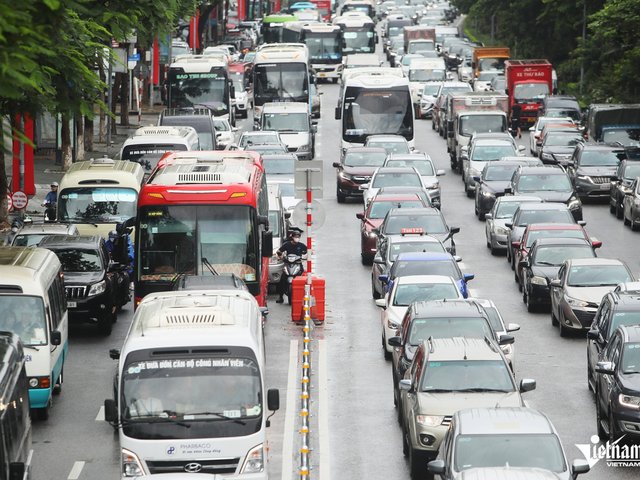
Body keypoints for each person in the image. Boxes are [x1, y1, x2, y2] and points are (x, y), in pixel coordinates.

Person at [275, 228, 308, 303]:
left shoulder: (301, 245)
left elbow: (309, 251)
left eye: (298, 237)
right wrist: (280, 257)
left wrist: (305, 257)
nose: (297, 238)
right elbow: (279, 251)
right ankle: (280, 297)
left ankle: (304, 295)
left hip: (298, 264)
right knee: (282, 279)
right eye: (295, 236)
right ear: (292, 237)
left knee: (303, 277)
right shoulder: (287, 245)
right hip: (288, 264)